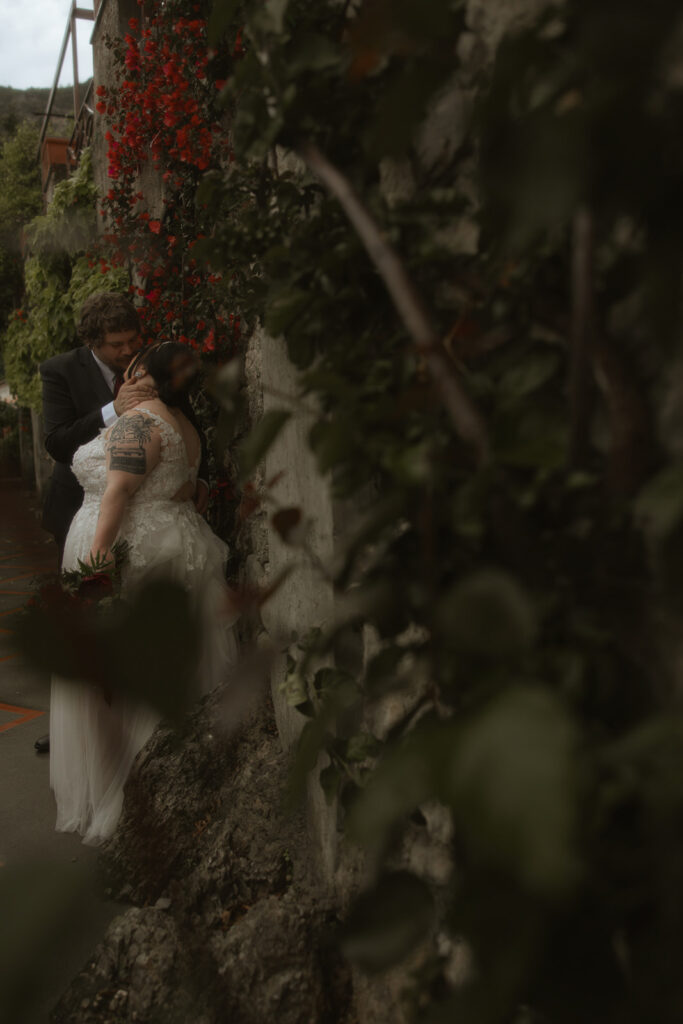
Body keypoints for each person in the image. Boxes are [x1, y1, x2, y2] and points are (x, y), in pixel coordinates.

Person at [49, 341, 237, 845]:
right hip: (173, 545)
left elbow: (117, 493)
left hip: (129, 553)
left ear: (141, 369)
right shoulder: (185, 423)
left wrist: (94, 569)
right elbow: (186, 489)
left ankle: (131, 804)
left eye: (134, 360)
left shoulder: (139, 422)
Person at [36, 292, 209, 753]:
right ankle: (81, 726)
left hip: (124, 529)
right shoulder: (60, 371)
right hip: (79, 509)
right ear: (93, 341)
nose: (128, 349)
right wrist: (114, 409)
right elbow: (56, 441)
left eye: (134, 340)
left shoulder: (158, 399)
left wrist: (195, 480)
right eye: (117, 344)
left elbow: (136, 478)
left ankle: (115, 738)